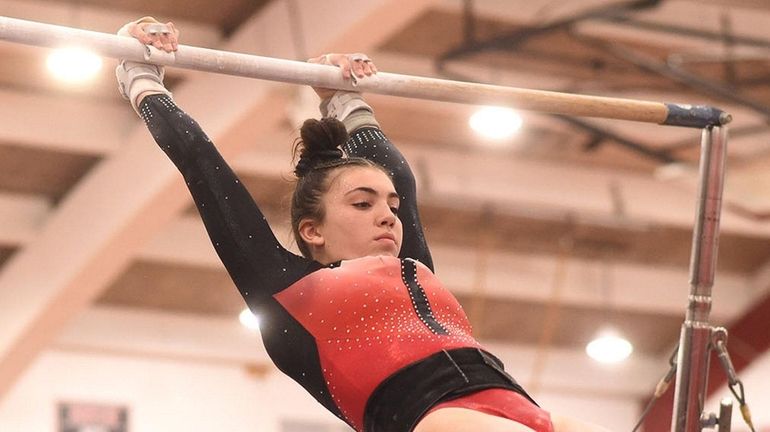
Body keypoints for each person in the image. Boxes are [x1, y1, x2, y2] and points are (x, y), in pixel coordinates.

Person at [115, 17, 609, 432]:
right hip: (430, 416)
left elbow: (402, 180)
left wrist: (342, 97)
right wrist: (139, 73)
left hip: (518, 405)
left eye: (390, 206)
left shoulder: (412, 265)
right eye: (362, 203)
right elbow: (204, 168)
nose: (388, 215)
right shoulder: (286, 290)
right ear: (313, 231)